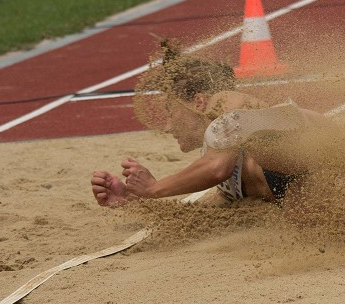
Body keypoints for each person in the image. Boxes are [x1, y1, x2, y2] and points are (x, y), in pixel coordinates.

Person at [91, 43, 328, 208]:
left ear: (199, 101)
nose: (168, 126)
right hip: (306, 189)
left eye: (170, 111)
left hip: (317, 151)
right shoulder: (222, 175)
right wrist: (132, 202)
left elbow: (217, 168)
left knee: (236, 131)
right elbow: (207, 212)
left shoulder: (225, 102)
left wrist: (155, 188)